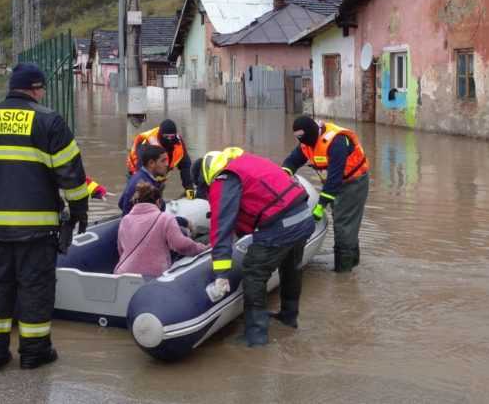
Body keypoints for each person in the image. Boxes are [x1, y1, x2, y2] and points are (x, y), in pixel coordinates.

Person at [0, 62, 90, 374]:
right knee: (35, 288)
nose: (42, 94)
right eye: (41, 89)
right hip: (36, 230)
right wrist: (79, 212)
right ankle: (34, 353)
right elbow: (71, 176)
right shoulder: (49, 122)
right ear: (35, 88)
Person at [194, 148, 315, 347]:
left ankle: (256, 336)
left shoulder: (223, 179)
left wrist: (221, 274)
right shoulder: (244, 162)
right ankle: (289, 317)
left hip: (281, 224)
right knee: (290, 268)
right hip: (302, 216)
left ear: (207, 178)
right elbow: (254, 207)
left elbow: (221, 227)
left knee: (253, 273)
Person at [281, 115, 370, 273]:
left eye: (308, 140)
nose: (306, 144)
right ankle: (352, 262)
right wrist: (284, 175)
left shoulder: (337, 142)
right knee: (344, 223)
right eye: (302, 141)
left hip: (353, 184)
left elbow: (334, 180)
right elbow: (292, 161)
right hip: (335, 184)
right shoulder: (306, 143)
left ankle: (343, 273)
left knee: (343, 226)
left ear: (315, 132)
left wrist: (320, 207)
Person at [115, 182, 207, 277]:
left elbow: (121, 249)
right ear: (158, 202)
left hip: (123, 273)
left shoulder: (125, 220)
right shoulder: (165, 218)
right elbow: (181, 245)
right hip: (152, 275)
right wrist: (202, 249)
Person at [126, 119, 195, 198]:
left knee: (157, 200)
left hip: (159, 177)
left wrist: (189, 187)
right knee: (138, 198)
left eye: (172, 136)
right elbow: (142, 170)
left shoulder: (178, 143)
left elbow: (185, 165)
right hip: (137, 174)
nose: (169, 139)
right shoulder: (149, 144)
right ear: (161, 135)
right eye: (166, 137)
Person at [118, 145, 168, 217]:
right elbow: (157, 214)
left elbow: (121, 203)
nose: (166, 164)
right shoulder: (147, 186)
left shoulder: (136, 176)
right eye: (163, 161)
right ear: (151, 163)